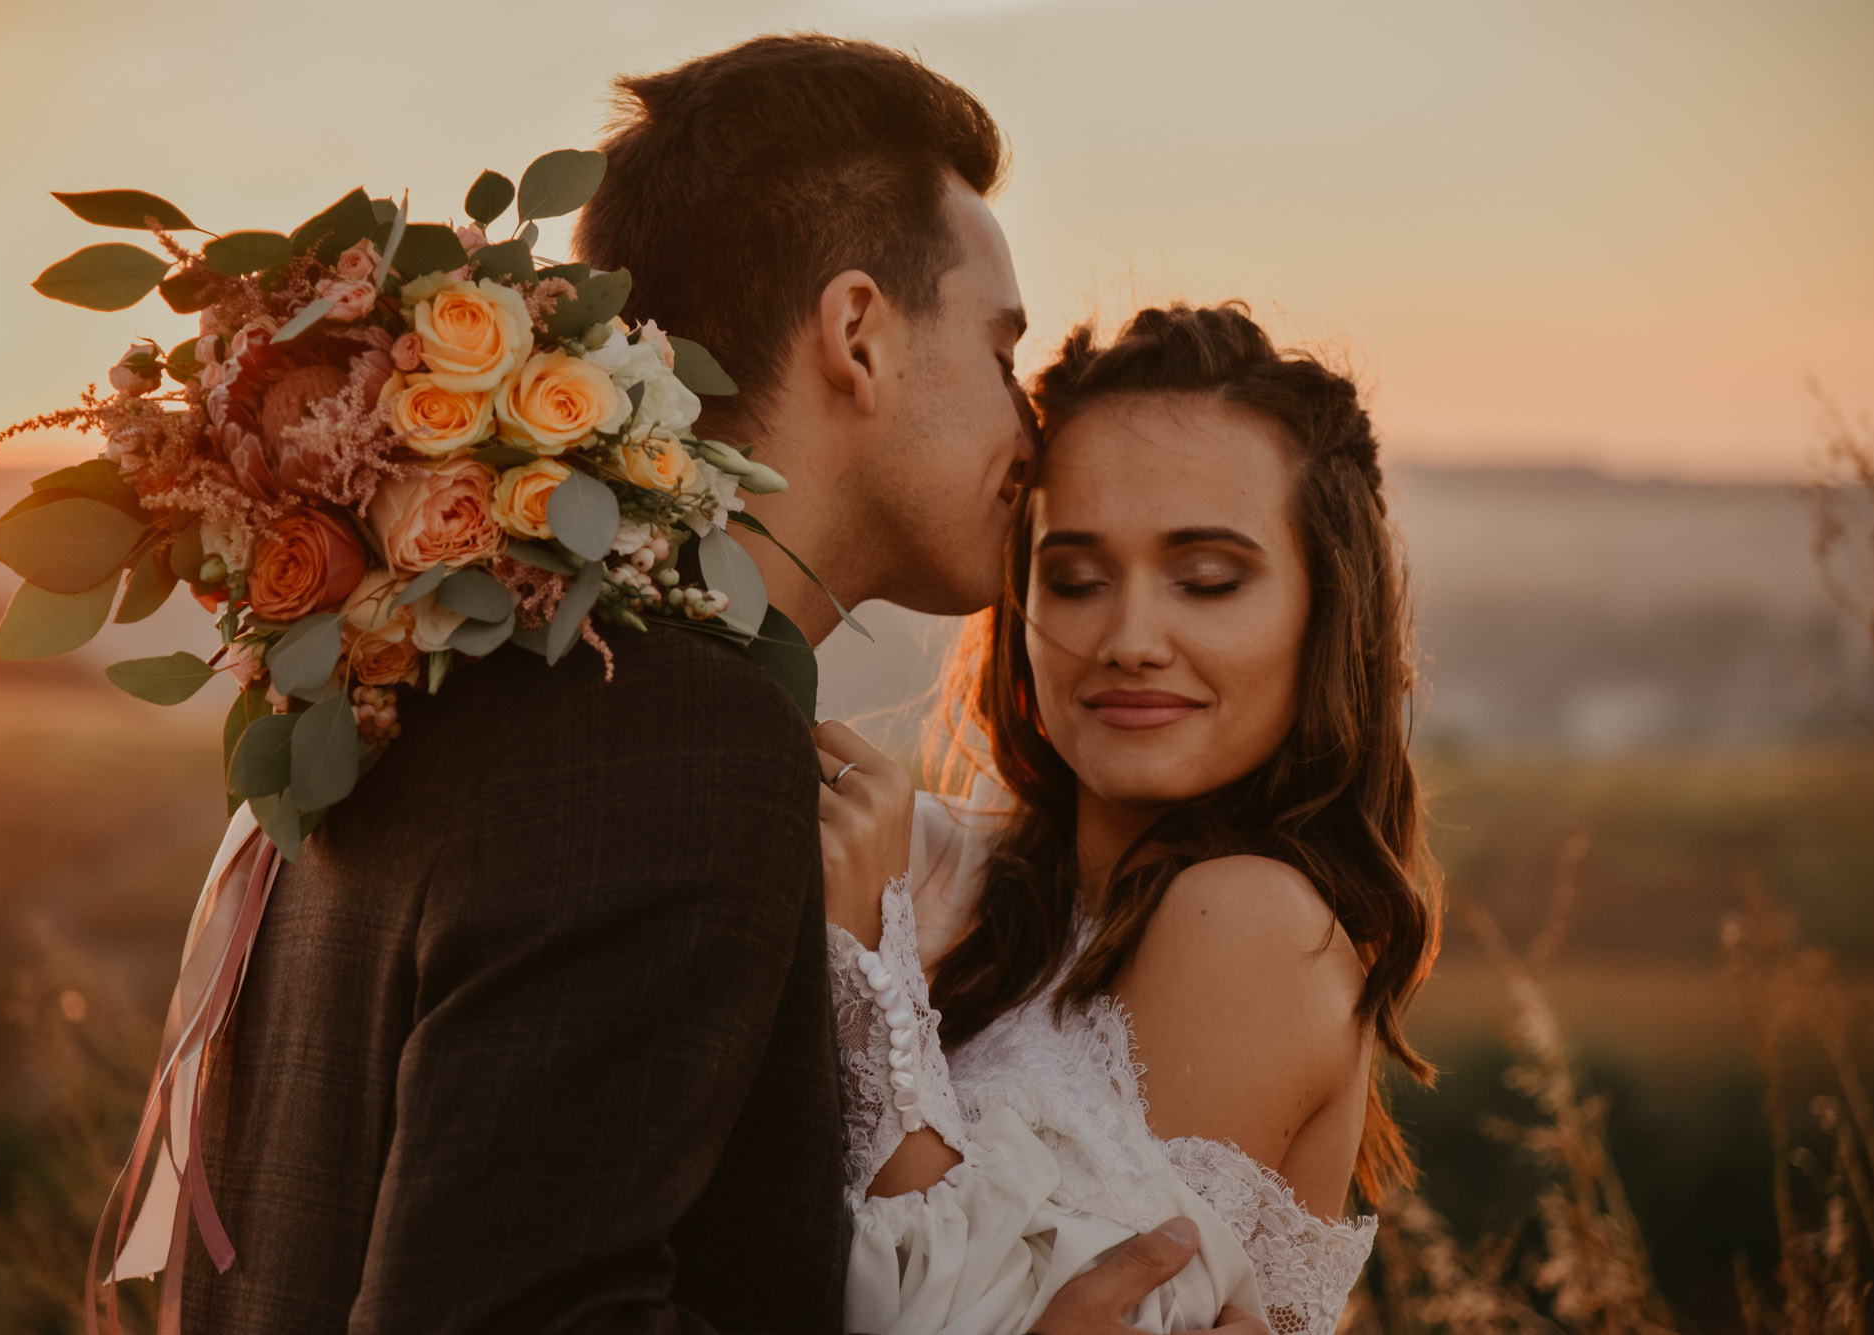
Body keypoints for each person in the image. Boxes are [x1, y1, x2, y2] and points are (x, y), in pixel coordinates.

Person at [177, 36, 1259, 1335]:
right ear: (858, 332)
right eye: (997, 350)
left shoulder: (441, 678)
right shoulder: (672, 731)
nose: (1025, 428)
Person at [813, 303, 1442, 1334]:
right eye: (1074, 579)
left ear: (1323, 610)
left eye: (1205, 581)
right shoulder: (960, 870)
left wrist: (858, 977)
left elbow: (994, 1316)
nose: (1130, 637)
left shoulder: (1254, 923)